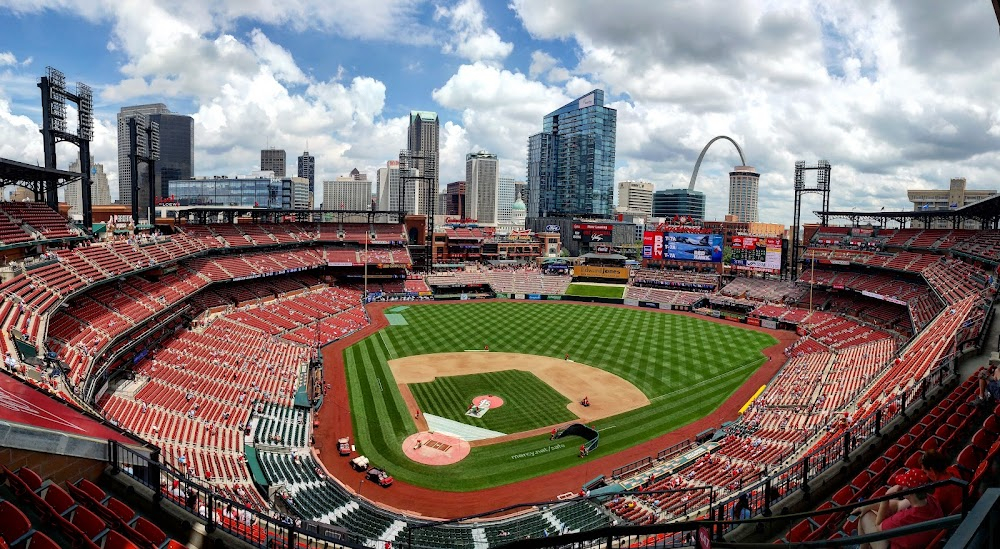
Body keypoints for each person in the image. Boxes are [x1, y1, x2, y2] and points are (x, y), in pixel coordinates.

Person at [856, 469, 943, 549]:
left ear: (910, 492)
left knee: (865, 517)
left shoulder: (903, 519)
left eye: (904, 484)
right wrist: (868, 506)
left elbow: (879, 527)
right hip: (921, 541)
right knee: (866, 511)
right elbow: (897, 505)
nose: (900, 486)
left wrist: (886, 497)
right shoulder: (929, 499)